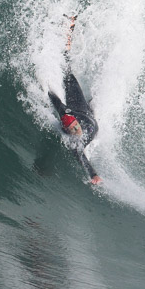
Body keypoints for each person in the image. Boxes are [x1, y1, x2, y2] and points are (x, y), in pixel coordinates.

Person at [47, 16, 103, 185]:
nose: (76, 130)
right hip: (88, 117)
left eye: (75, 127)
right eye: (72, 129)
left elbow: (56, 101)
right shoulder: (75, 137)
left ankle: (67, 32)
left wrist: (46, 85)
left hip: (80, 111)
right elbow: (82, 159)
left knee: (67, 73)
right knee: (90, 104)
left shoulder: (68, 116)